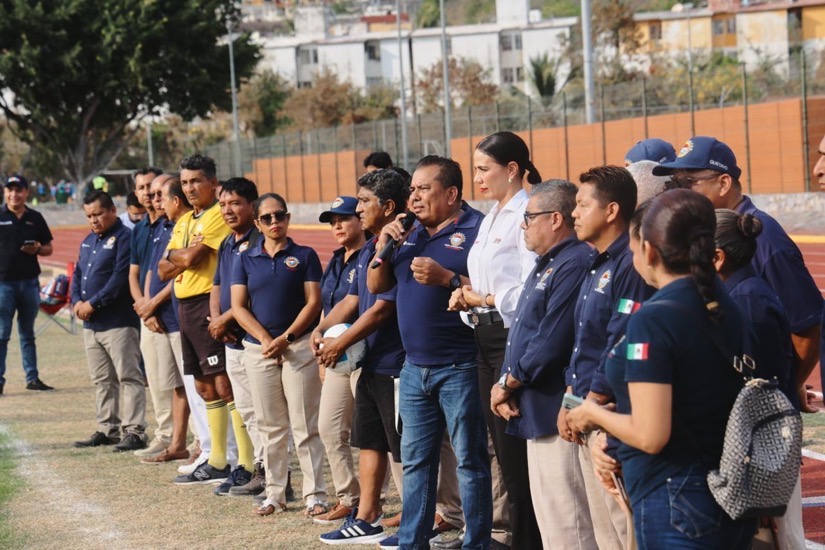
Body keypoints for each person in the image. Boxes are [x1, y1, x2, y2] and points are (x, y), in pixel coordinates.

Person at [567, 189, 758, 548]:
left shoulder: (653, 320)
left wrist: (592, 414)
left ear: (649, 250)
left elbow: (651, 434)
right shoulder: (724, 305)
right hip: (726, 484)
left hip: (676, 495)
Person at [367, 155, 492, 549]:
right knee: (417, 463)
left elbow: (494, 293)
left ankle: (477, 542)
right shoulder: (408, 231)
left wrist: (448, 278)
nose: (414, 197)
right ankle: (412, 542)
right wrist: (385, 243)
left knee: (470, 462)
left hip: (461, 366)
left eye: (424, 189)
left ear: (452, 193)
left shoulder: (477, 230)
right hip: (414, 367)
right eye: (413, 190)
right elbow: (376, 284)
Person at [653, 136, 823, 412]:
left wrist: (787, 386)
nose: (680, 193)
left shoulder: (764, 237)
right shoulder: (706, 233)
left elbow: (806, 327)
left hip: (758, 416)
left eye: (689, 183)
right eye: (676, 184)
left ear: (723, 183)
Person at [447, 131, 541, 549]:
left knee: (518, 455)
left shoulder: (528, 215)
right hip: (483, 336)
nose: (478, 177)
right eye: (476, 169)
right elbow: (487, 281)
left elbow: (532, 289)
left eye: (485, 169)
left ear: (513, 169)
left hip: (510, 338)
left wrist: (483, 297)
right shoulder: (490, 217)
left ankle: (528, 540)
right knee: (501, 452)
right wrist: (465, 294)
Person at [489, 180, 594, 548]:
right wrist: (508, 379)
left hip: (555, 410)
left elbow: (552, 340)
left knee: (571, 525)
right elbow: (524, 331)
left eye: (529, 217)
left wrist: (509, 382)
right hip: (535, 410)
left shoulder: (574, 262)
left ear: (554, 219)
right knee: (552, 522)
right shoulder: (550, 262)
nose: (523, 225)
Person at [558, 165, 652, 550]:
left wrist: (588, 403)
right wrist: (571, 399)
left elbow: (619, 341)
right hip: (586, 411)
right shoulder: (596, 262)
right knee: (603, 533)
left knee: (623, 528)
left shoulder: (630, 264)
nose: (573, 214)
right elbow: (584, 342)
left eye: (582, 205)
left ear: (611, 211)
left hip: (608, 414)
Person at [316, 169, 410, 544]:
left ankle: (425, 515)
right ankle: (366, 515)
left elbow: (382, 308)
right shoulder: (371, 246)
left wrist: (341, 342)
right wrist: (321, 331)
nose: (358, 209)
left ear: (388, 206)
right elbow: (354, 299)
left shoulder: (400, 243)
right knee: (371, 440)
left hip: (395, 359)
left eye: (365, 202)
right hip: (370, 360)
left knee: (403, 446)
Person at [157, 154, 255, 486]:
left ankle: (244, 461)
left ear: (213, 183)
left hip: (205, 305)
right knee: (202, 384)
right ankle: (217, 459)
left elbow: (194, 257)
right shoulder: (185, 221)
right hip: (184, 307)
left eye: (196, 181)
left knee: (224, 382)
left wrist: (179, 257)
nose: (190, 188)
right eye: (184, 182)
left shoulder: (216, 216)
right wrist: (177, 256)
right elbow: (163, 267)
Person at [231, 193, 328, 517]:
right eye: (268, 218)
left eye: (281, 216)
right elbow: (238, 307)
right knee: (270, 427)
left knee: (305, 426)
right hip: (259, 351)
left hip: (298, 349)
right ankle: (275, 493)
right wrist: (265, 339)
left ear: (287, 218)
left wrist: (285, 339)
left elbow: (313, 302)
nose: (276, 222)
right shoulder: (244, 258)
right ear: (257, 223)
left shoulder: (304, 255)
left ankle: (315, 495)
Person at [713, 209, 803, 550]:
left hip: (761, 460)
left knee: (774, 541)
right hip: (752, 457)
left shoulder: (746, 302)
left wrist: (761, 482)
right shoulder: (737, 295)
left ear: (717, 258)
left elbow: (757, 393)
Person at [71, 191, 147, 450]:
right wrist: (75, 303)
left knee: (129, 377)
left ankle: (134, 430)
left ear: (112, 211)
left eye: (98, 214)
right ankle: (107, 428)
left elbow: (119, 278)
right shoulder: (88, 241)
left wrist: (93, 303)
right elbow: (78, 273)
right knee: (102, 379)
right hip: (92, 325)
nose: (93, 220)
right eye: (89, 216)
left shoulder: (126, 238)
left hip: (118, 322)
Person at [207, 177, 263, 496]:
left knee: (263, 411)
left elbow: (256, 289)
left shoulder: (259, 241)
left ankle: (268, 472)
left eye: (235, 203)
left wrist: (224, 319)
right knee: (245, 408)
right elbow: (218, 285)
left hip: (253, 339)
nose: (227, 210)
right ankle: (254, 469)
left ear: (251, 206)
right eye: (223, 204)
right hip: (230, 338)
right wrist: (217, 319)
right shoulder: (227, 242)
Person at [312, 195, 365, 523]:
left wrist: (321, 329)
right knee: (329, 428)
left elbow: (353, 303)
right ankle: (350, 497)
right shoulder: (335, 259)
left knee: (382, 435)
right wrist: (319, 343)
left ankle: (408, 504)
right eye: (332, 221)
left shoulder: (370, 254)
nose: (337, 226)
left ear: (360, 219)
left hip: (364, 356)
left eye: (344, 219)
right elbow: (328, 304)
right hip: (335, 357)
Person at [134, 174, 192, 464]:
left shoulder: (181, 227)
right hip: (158, 317)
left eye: (160, 194)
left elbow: (179, 272)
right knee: (175, 385)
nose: (154, 199)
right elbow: (151, 271)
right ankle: (176, 441)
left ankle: (200, 446)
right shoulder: (159, 228)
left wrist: (154, 304)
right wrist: (147, 306)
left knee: (194, 385)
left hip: (177, 316)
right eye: (151, 193)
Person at [126, 166, 171, 458]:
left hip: (169, 311)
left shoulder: (170, 225)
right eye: (142, 189)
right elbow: (138, 273)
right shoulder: (142, 228)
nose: (147, 195)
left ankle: (183, 438)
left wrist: (154, 305)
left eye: (152, 190)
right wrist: (144, 306)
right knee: (154, 377)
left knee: (174, 379)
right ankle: (164, 433)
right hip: (147, 312)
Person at [0, 174, 55, 395]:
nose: (14, 194)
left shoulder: (36, 217)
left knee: (27, 333)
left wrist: (37, 250)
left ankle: (32, 378)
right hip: (3, 284)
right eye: (10, 190)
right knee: (2, 334)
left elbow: (49, 248)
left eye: (18, 189)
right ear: (5, 192)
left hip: (30, 283)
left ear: (26, 193)